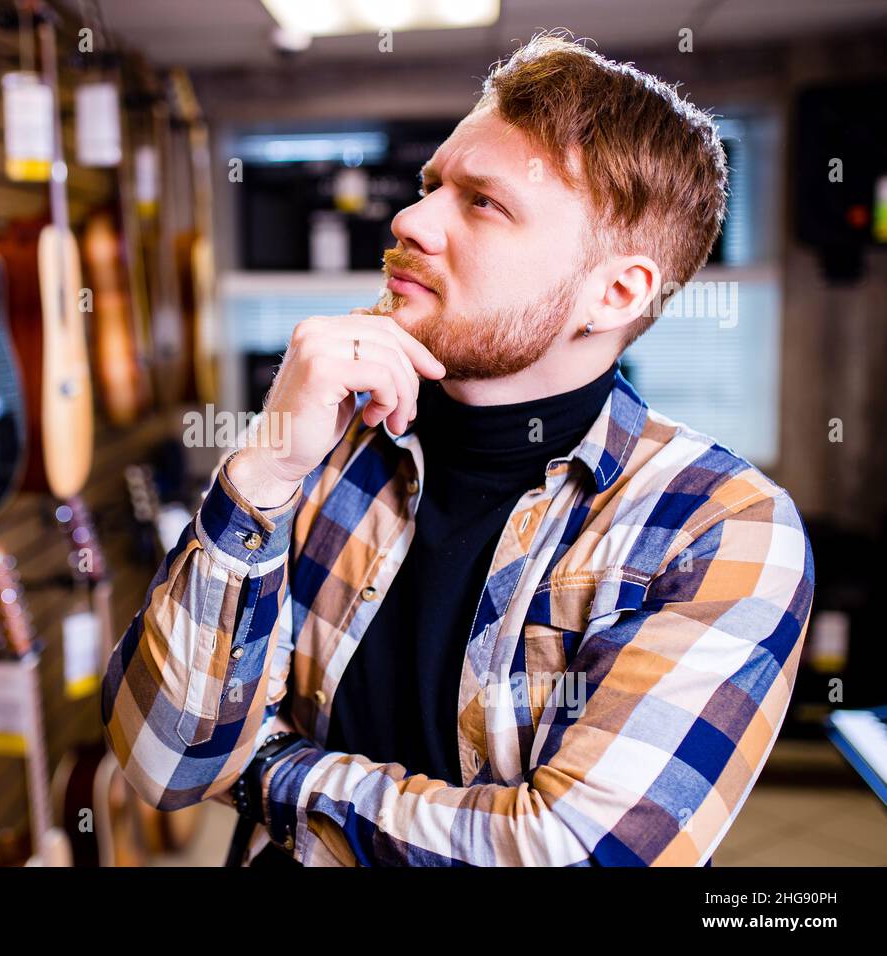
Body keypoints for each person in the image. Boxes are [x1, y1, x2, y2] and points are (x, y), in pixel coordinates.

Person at [100, 33, 815, 866]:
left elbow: (566, 852)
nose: (408, 220)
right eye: (430, 184)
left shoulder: (719, 530)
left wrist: (268, 770)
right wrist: (263, 470)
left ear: (615, 291)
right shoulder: (328, 440)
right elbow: (163, 761)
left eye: (483, 203)